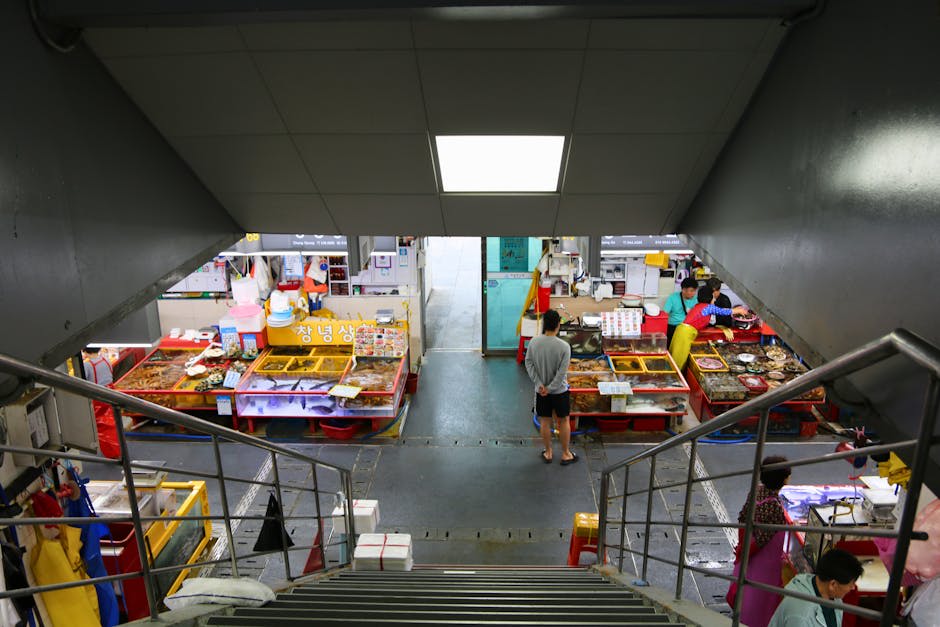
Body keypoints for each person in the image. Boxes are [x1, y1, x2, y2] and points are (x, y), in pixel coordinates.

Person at [727, 455, 792, 627]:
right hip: (765, 559)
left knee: (747, 588)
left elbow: (743, 516)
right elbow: (764, 539)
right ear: (784, 480)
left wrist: (742, 550)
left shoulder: (756, 491)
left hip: (750, 550)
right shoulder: (775, 507)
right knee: (761, 597)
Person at [524, 309, 577, 465]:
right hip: (559, 391)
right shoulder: (564, 346)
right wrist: (552, 387)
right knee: (564, 421)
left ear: (544, 324)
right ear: (558, 325)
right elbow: (562, 373)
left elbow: (529, 363)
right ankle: (566, 454)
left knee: (545, 422)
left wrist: (540, 385)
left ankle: (548, 452)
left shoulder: (534, 342)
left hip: (541, 392)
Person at [769, 548, 864, 627]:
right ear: (833, 584)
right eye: (850, 584)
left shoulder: (832, 596)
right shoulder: (801, 617)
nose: (852, 587)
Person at [669, 286, 748, 368]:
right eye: (713, 298)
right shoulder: (708, 307)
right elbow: (722, 311)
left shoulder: (699, 306)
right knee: (678, 361)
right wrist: (739, 310)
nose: (714, 300)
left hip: (680, 330)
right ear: (709, 298)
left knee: (675, 357)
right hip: (684, 333)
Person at [662, 277, 699, 346]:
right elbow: (665, 314)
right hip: (673, 328)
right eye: (690, 291)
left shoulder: (696, 299)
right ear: (683, 290)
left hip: (688, 328)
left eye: (694, 291)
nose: (692, 293)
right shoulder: (673, 297)